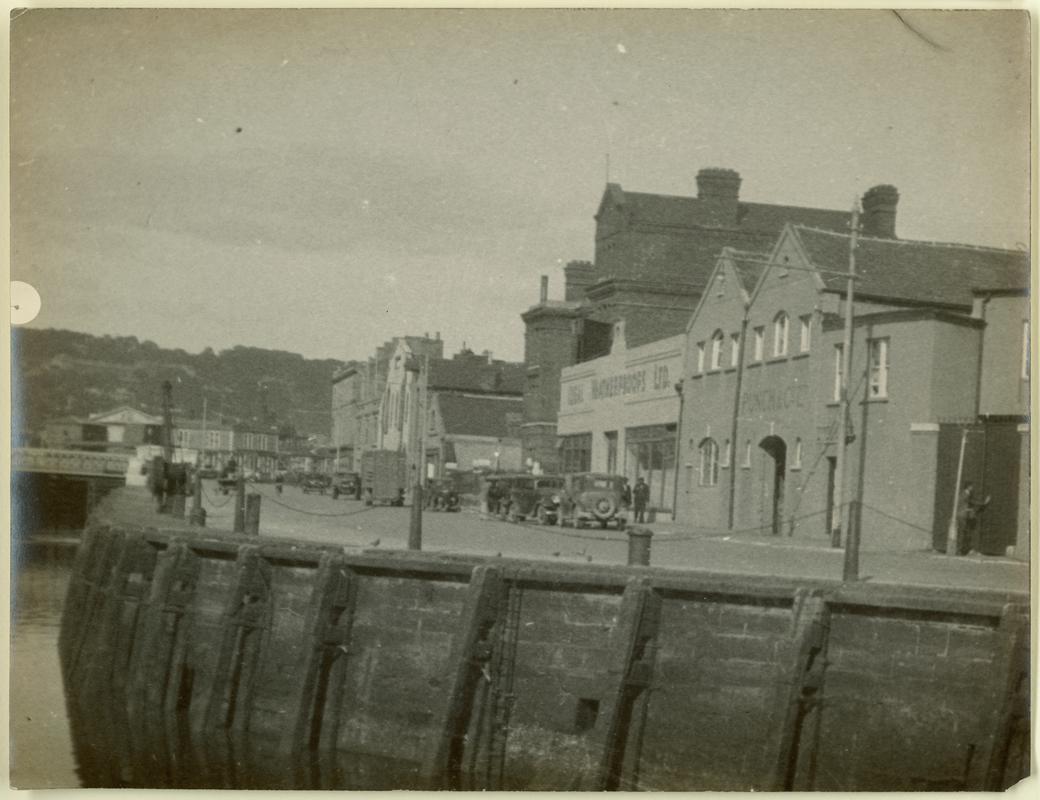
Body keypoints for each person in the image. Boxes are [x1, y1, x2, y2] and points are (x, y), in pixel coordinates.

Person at [956, 482, 991, 556]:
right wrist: (984, 503)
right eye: (972, 486)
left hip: (964, 515)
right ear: (968, 487)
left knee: (964, 533)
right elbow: (972, 502)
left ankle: (962, 550)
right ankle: (959, 550)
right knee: (962, 533)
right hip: (963, 516)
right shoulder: (965, 495)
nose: (973, 488)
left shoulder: (965, 494)